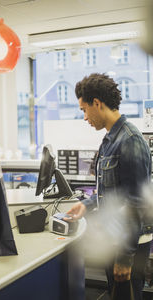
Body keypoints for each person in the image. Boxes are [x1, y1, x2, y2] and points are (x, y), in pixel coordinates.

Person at [66, 73, 152, 300]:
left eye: (84, 110)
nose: (84, 117)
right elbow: (114, 192)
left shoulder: (130, 139)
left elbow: (136, 202)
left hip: (129, 242)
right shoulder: (109, 140)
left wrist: (124, 257)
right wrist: (86, 204)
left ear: (97, 103)